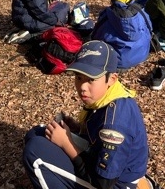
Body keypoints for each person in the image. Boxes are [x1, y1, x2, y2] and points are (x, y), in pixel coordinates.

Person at [22, 40, 151, 189]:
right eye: (79, 77)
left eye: (91, 80)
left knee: (34, 152)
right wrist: (77, 129)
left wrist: (66, 143)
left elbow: (103, 183)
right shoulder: (109, 96)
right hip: (99, 163)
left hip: (115, 184)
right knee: (37, 133)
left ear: (112, 79)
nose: (82, 87)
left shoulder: (115, 125)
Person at [90, 0, 152, 70]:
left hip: (118, 61)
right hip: (143, 53)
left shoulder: (108, 14)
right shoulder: (140, 9)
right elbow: (149, 28)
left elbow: (96, 36)